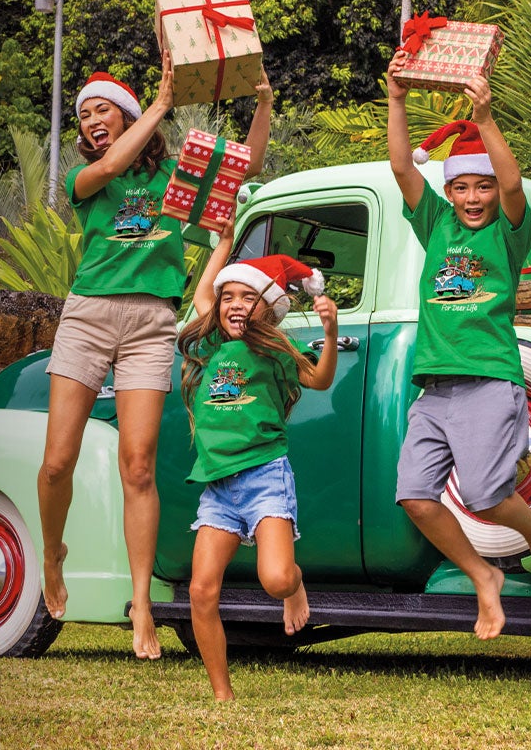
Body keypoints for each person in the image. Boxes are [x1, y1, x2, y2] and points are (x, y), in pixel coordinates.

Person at [37, 54, 274, 660]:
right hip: (89, 316)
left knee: (138, 467)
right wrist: (163, 102)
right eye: (84, 114)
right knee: (57, 463)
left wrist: (264, 104)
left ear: (126, 116)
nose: (92, 121)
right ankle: (52, 551)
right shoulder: (85, 181)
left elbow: (244, 170)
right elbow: (112, 164)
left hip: (150, 322)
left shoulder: (175, 175)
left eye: (103, 110)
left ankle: (141, 602)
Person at [385, 64, 531, 641]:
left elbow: (514, 187)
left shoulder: (508, 232)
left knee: (487, 497)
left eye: (481, 186)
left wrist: (484, 118)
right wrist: (397, 99)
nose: (473, 197)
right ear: (448, 192)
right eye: (462, 187)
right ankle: (482, 575)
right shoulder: (436, 224)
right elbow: (401, 167)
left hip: (488, 379)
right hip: (434, 388)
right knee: (415, 497)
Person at [177, 232, 336, 701]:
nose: (234, 304)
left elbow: (320, 379)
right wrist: (224, 242)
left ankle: (295, 585)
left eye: (248, 297)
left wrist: (329, 334)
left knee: (276, 579)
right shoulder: (210, 345)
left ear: (267, 308)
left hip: (265, 475)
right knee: (201, 591)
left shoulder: (275, 351)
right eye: (228, 296)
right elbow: (203, 291)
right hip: (218, 484)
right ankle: (222, 696)